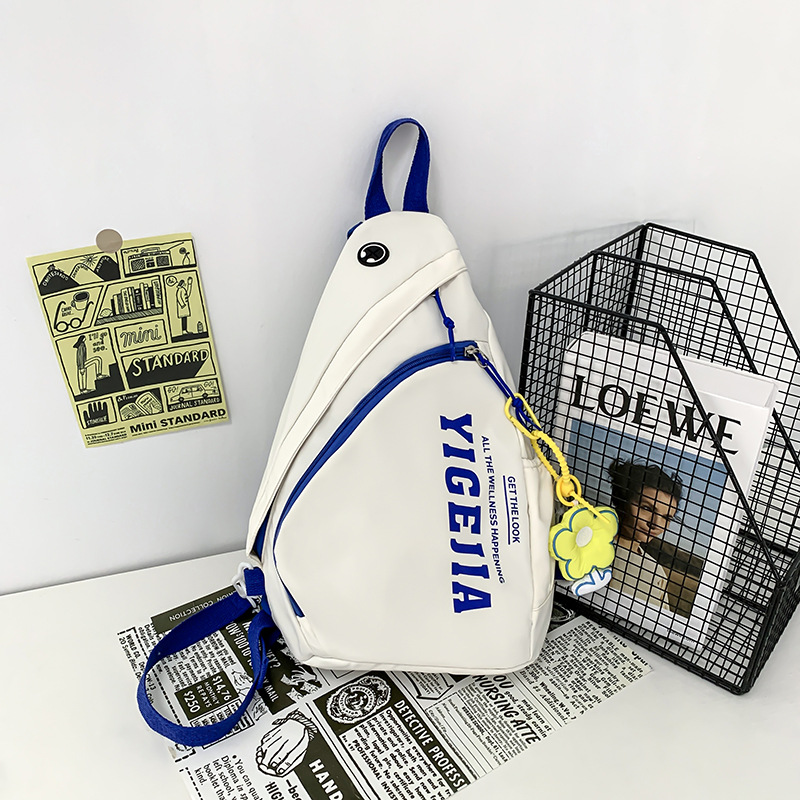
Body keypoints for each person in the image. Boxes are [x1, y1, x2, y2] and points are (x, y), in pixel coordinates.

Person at [606, 458, 682, 609]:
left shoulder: (656, 571)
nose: (656, 524)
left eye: (666, 518)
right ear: (622, 501)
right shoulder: (593, 548)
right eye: (647, 508)